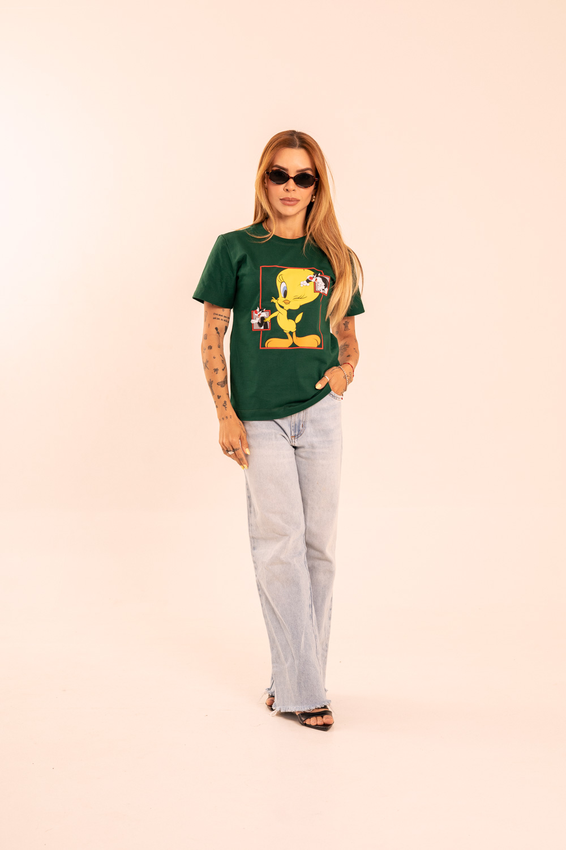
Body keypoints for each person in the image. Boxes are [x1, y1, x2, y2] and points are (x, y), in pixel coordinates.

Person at [193, 130, 364, 730]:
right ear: (263, 179)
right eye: (279, 174)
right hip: (259, 419)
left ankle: (294, 681)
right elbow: (213, 336)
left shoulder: (337, 258)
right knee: (279, 547)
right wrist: (225, 413)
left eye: (303, 177)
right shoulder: (235, 249)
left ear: (318, 187)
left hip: (321, 414)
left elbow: (348, 336)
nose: (290, 187)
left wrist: (343, 374)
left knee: (319, 551)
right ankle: (304, 691)